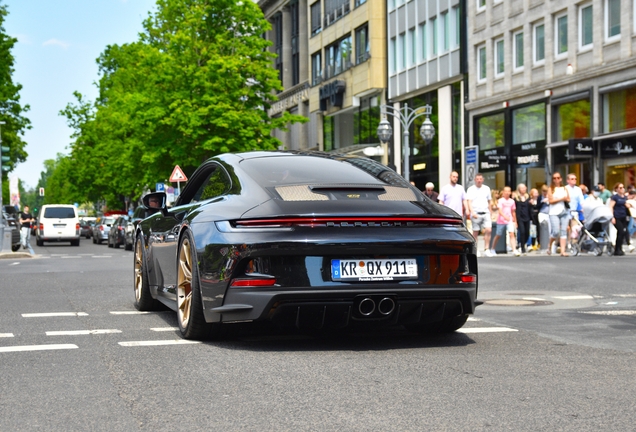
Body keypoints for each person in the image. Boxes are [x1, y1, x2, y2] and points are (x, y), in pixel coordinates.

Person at [466, 173, 493, 257]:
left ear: (483, 179)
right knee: (476, 232)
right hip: (475, 213)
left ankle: (487, 249)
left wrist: (490, 211)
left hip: (486, 212)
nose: (479, 180)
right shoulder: (471, 189)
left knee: (488, 230)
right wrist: (472, 212)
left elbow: (489, 201)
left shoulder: (486, 188)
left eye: (480, 179)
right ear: (475, 180)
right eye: (477, 179)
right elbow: (469, 201)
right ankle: (476, 249)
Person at [490, 186, 519, 256]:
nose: (507, 193)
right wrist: (505, 217)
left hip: (509, 220)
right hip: (501, 221)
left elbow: (513, 212)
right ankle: (492, 249)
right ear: (503, 192)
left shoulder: (512, 201)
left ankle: (514, 249)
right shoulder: (500, 200)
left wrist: (515, 221)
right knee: (498, 235)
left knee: (511, 234)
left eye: (509, 191)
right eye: (506, 191)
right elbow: (500, 211)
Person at [547, 173, 571, 257]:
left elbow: (568, 199)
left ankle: (563, 251)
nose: (556, 180)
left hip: (564, 211)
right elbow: (550, 201)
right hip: (554, 212)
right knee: (556, 231)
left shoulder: (564, 188)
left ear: (561, 179)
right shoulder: (551, 189)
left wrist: (565, 199)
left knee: (564, 231)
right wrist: (561, 199)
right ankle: (549, 244)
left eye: (558, 178)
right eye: (554, 178)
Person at [609, 183, 633, 256]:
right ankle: (617, 249)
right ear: (616, 189)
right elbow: (611, 207)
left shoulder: (625, 197)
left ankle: (619, 248)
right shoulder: (615, 197)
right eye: (620, 188)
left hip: (624, 217)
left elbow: (628, 205)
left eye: (623, 187)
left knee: (622, 233)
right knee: (621, 231)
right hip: (617, 217)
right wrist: (612, 217)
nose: (622, 189)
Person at [513, 183, 532, 255]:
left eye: (524, 188)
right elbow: (515, 209)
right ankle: (522, 246)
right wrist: (515, 220)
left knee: (527, 232)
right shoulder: (516, 198)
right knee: (522, 231)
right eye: (522, 188)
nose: (523, 189)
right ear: (519, 189)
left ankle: (524, 243)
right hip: (520, 217)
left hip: (527, 217)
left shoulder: (528, 197)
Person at [537, 185, 550, 252]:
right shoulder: (540, 197)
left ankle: (548, 245)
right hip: (542, 213)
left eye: (546, 191)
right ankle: (542, 244)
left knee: (549, 229)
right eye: (544, 191)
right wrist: (543, 202)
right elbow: (537, 206)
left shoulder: (550, 196)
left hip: (549, 214)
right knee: (543, 228)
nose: (545, 193)